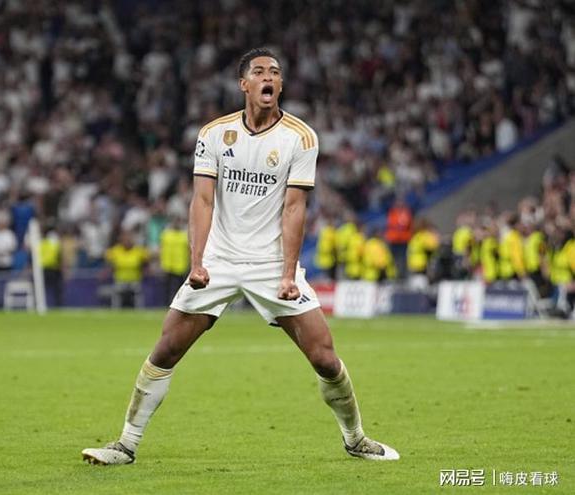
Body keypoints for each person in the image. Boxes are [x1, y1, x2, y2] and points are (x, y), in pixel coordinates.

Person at [81, 48, 399, 465]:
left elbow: (295, 208)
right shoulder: (214, 133)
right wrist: (197, 262)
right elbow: (202, 200)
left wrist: (288, 274)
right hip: (220, 260)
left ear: (280, 85)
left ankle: (356, 439)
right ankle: (125, 444)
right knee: (167, 348)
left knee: (324, 356)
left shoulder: (301, 137)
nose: (269, 77)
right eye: (260, 71)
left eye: (276, 72)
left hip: (271, 264)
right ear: (244, 84)